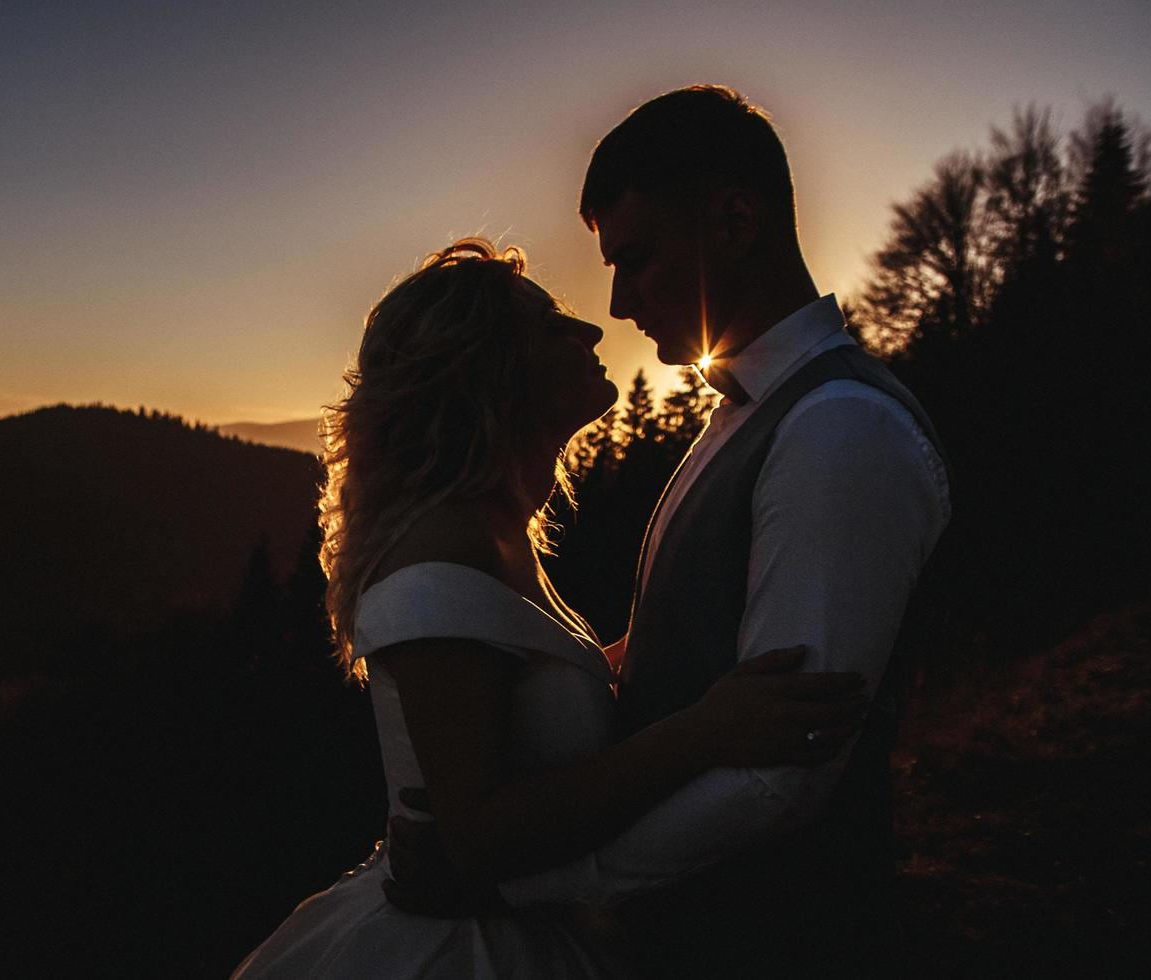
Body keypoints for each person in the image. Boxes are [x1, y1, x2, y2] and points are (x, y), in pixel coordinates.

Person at [386, 86, 953, 976]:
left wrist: (538, 882)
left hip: (778, 942)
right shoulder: (750, 418)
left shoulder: (839, 430)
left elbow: (782, 775)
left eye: (637, 259)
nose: (613, 305)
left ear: (734, 220)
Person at [229, 240, 871, 978]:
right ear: (492, 372)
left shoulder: (494, 529)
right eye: (552, 327)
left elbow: (529, 693)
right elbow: (474, 838)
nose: (593, 332)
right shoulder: (441, 557)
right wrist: (703, 733)